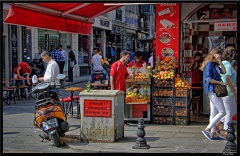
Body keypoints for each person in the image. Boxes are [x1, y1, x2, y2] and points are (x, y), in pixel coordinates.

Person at [199, 48, 227, 140]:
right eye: (218, 54)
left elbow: (224, 71)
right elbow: (208, 79)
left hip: (213, 90)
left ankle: (213, 133)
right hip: (212, 89)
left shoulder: (215, 64)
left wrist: (220, 62)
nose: (220, 56)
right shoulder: (210, 64)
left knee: (213, 112)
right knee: (222, 111)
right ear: (214, 54)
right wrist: (221, 83)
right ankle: (208, 128)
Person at [217, 46, 237, 138]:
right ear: (232, 54)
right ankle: (226, 130)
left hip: (226, 90)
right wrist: (233, 91)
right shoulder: (228, 65)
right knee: (229, 112)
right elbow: (228, 78)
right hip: (228, 91)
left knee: (233, 110)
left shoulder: (224, 63)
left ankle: (220, 122)